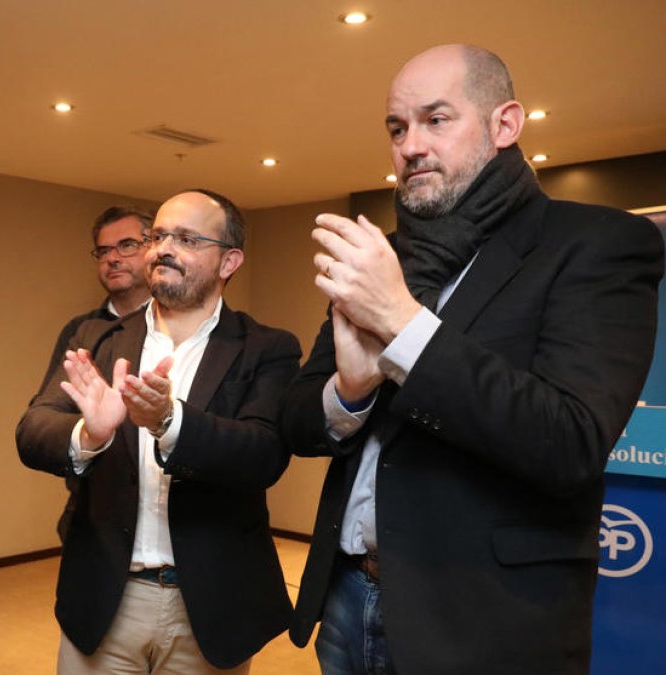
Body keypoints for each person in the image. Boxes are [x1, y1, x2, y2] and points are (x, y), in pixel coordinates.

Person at [281, 44, 664, 674]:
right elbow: (294, 420)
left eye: (436, 120)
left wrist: (403, 326)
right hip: (346, 600)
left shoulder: (597, 243)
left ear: (505, 125)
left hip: (483, 626)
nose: (410, 146)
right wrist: (349, 391)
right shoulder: (385, 258)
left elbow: (568, 441)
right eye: (397, 128)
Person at [17, 190, 301, 673]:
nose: (164, 248)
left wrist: (171, 423)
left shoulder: (267, 348)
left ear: (229, 260)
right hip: (106, 595)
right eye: (159, 236)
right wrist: (90, 434)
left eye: (187, 238)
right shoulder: (97, 338)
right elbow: (33, 430)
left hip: (209, 604)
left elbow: (264, 454)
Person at [35, 206, 154, 394]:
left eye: (127, 245)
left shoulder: (175, 322)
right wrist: (89, 423)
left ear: (155, 248)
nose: (112, 258)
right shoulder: (80, 329)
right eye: (104, 251)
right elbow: (41, 415)